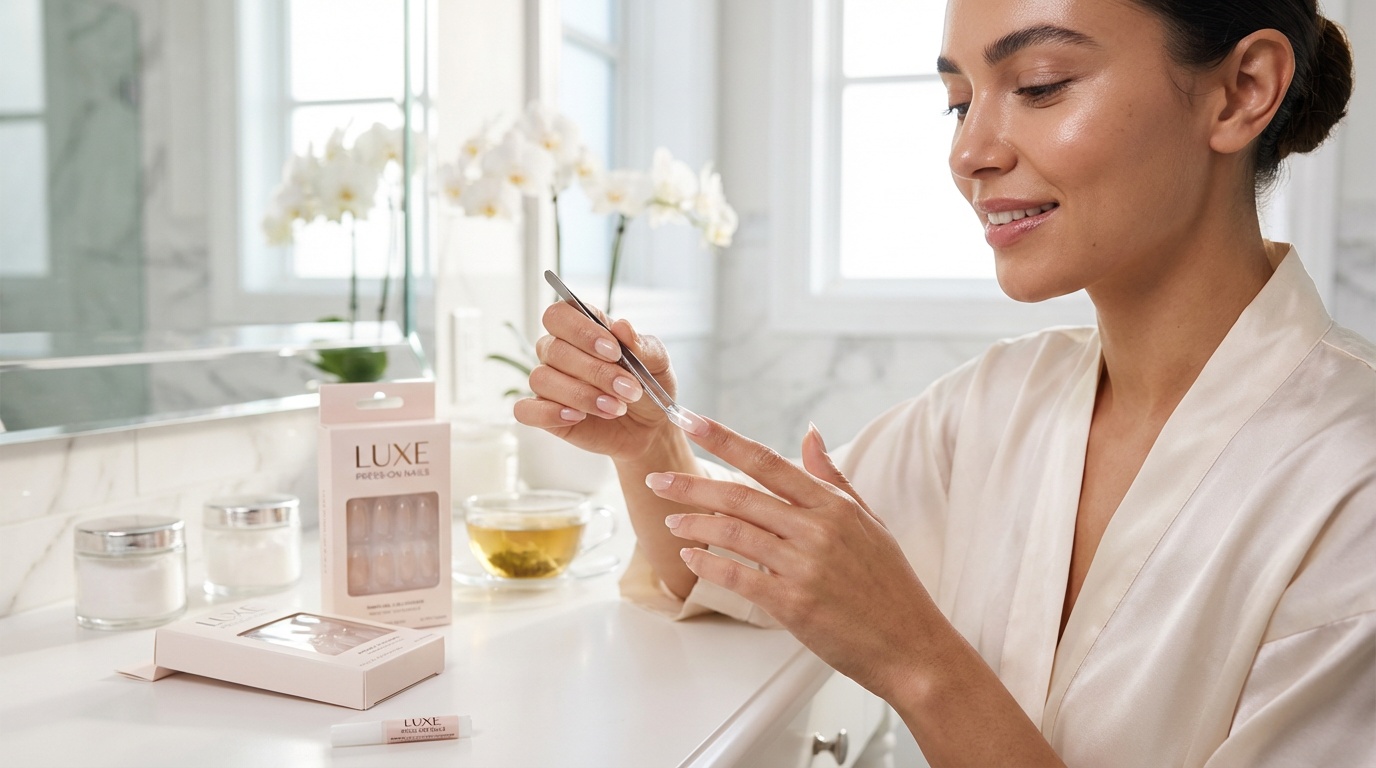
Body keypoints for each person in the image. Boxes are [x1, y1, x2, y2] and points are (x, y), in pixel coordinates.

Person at [515, 0, 1373, 764]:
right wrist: (649, 438)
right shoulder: (999, 401)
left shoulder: (1352, 480)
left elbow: (891, 635)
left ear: (1242, 90)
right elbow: (738, 580)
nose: (970, 151)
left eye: (1039, 84)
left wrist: (914, 657)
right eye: (959, 102)